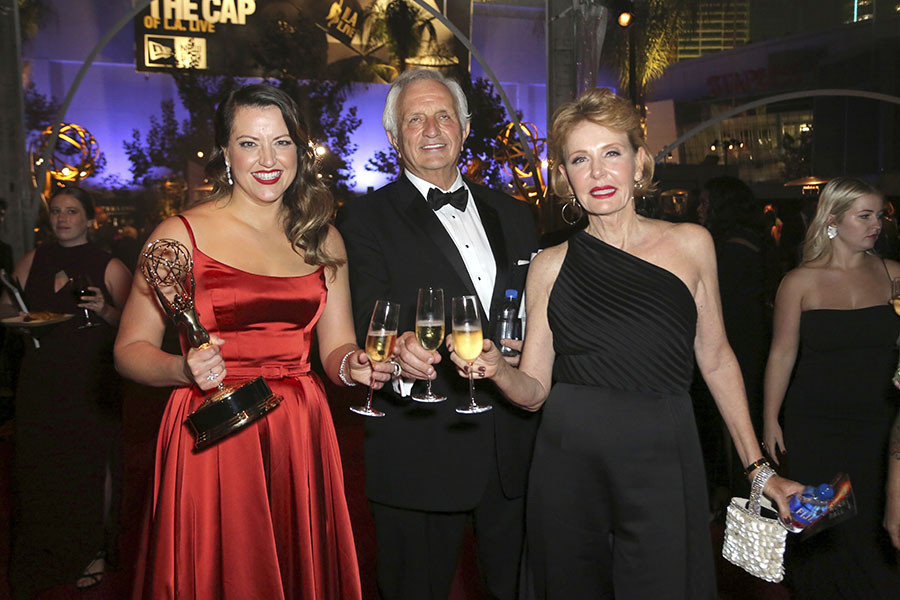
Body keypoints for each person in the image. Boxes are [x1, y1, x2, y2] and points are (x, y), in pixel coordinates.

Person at [447, 88, 803, 599]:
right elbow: (535, 391)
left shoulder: (691, 244)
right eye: (580, 160)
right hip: (568, 460)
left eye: (611, 153)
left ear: (639, 162)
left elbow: (717, 357)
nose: (597, 172)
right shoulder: (548, 266)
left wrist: (757, 469)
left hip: (663, 454)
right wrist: (498, 371)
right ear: (565, 177)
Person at [114, 83, 392, 599]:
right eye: (249, 143)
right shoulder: (179, 235)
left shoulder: (322, 237)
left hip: (299, 426)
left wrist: (354, 365)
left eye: (281, 142)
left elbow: (336, 347)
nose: (268, 160)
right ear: (225, 151)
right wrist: (181, 369)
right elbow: (129, 351)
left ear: (300, 150)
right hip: (215, 426)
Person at [336, 68, 540, 600]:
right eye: (415, 119)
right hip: (419, 449)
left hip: (514, 452)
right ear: (393, 136)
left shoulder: (516, 215)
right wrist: (399, 351)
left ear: (464, 128)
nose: (431, 129)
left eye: (443, 116)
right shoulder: (363, 219)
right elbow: (366, 316)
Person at [763, 177, 900, 598]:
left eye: (880, 215)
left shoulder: (894, 274)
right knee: (821, 525)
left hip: (879, 422)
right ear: (833, 220)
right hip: (815, 423)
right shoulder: (799, 282)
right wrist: (769, 418)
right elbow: (781, 354)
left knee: (873, 522)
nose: (876, 224)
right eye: (865, 216)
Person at [0, 186, 132, 597]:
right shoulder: (33, 259)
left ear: (89, 218)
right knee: (40, 466)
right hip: (40, 377)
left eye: (72, 211)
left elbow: (135, 325)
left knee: (88, 465)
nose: (62, 218)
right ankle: (46, 553)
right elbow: (6, 306)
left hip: (90, 379)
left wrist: (104, 310)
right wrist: (18, 319)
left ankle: (93, 550)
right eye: (57, 211)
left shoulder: (108, 264)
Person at [695, 177, 774, 504]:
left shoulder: (732, 248)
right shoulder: (752, 239)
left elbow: (716, 306)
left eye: (705, 203)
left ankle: (739, 500)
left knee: (732, 421)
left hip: (735, 343)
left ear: (722, 206)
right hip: (748, 338)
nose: (699, 209)